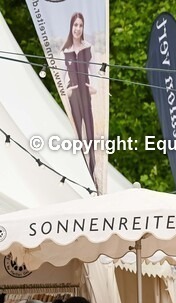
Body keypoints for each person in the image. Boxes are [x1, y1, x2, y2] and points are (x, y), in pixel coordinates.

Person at [63, 13, 96, 179]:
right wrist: (67, 91)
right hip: (73, 93)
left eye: (80, 25)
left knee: (89, 130)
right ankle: (81, 172)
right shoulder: (65, 50)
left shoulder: (88, 47)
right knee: (77, 132)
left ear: (83, 28)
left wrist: (94, 87)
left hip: (86, 91)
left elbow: (95, 70)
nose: (77, 28)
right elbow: (62, 76)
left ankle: (92, 168)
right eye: (75, 25)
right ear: (71, 26)